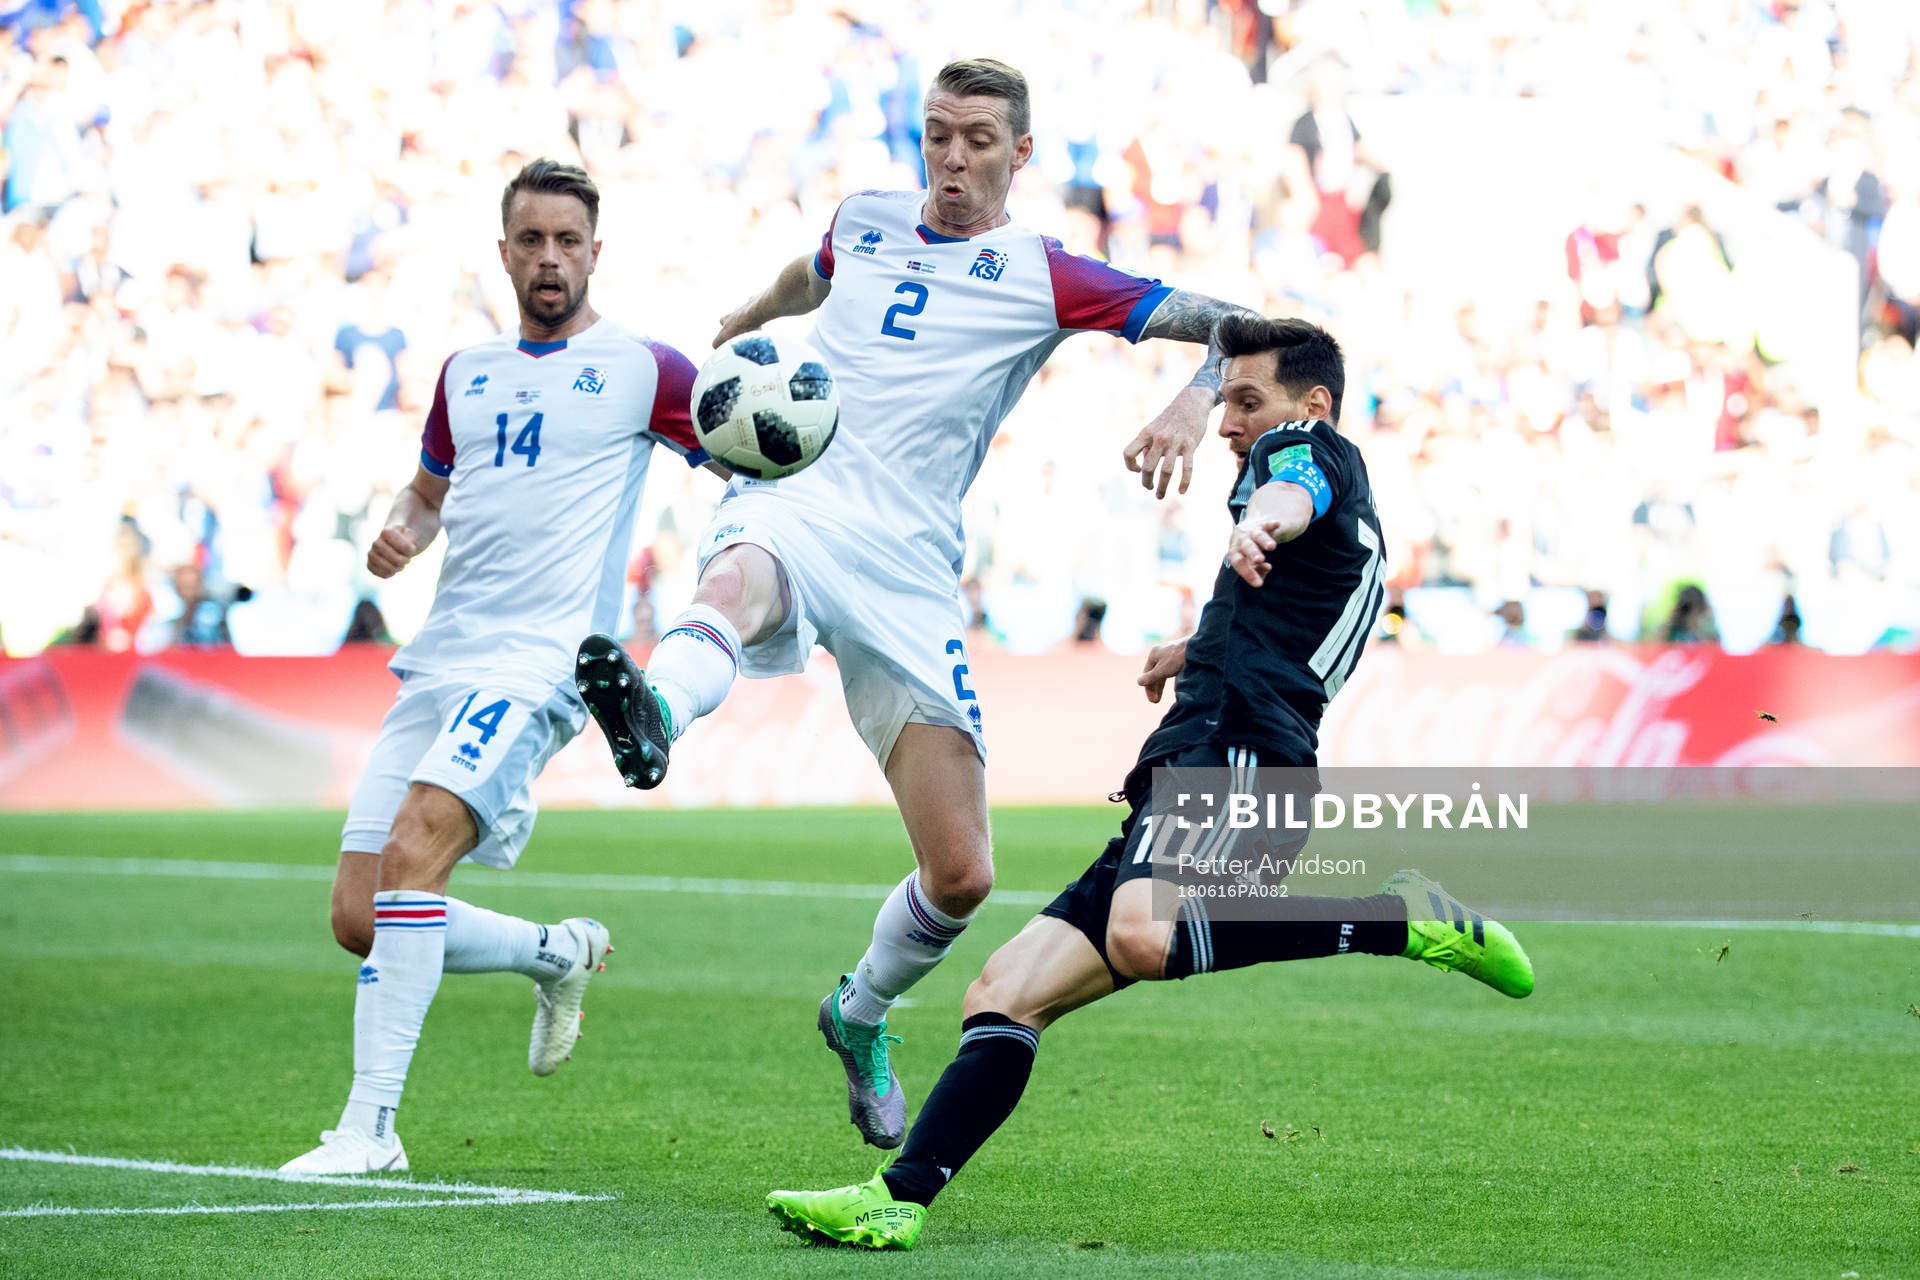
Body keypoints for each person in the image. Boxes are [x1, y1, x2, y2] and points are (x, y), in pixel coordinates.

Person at [574, 57, 1266, 1151]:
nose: (952, 157)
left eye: (978, 139)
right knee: (736, 580)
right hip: (801, 497)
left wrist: (1190, 402)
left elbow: (1240, 322)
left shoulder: (1044, 272)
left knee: (963, 871)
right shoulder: (869, 217)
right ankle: (656, 715)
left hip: (910, 566)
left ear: (1021, 153)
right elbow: (816, 271)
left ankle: (857, 1015)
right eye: (938, 133)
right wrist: (745, 320)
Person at [764, 315, 1535, 1250]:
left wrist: (1261, 517)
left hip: (1242, 753)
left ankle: (1399, 918)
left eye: (1246, 400)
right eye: (1229, 401)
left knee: (1144, 934)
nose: (1229, 422)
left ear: (1312, 403)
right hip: (1203, 754)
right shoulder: (1339, 508)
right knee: (1005, 993)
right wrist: (1195, 645)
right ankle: (900, 1198)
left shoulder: (1307, 452)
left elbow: (1291, 490)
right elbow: (1303, 606)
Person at [280, 159, 710, 1175]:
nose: (550, 258)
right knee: (361, 912)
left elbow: (743, 452)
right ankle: (555, 951)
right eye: (533, 240)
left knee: (419, 847)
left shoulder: (648, 368)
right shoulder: (465, 373)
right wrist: (400, 528)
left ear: (596, 252)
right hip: (443, 653)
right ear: (506, 249)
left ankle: (369, 1131)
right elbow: (426, 495)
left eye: (569, 241)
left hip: (543, 660)